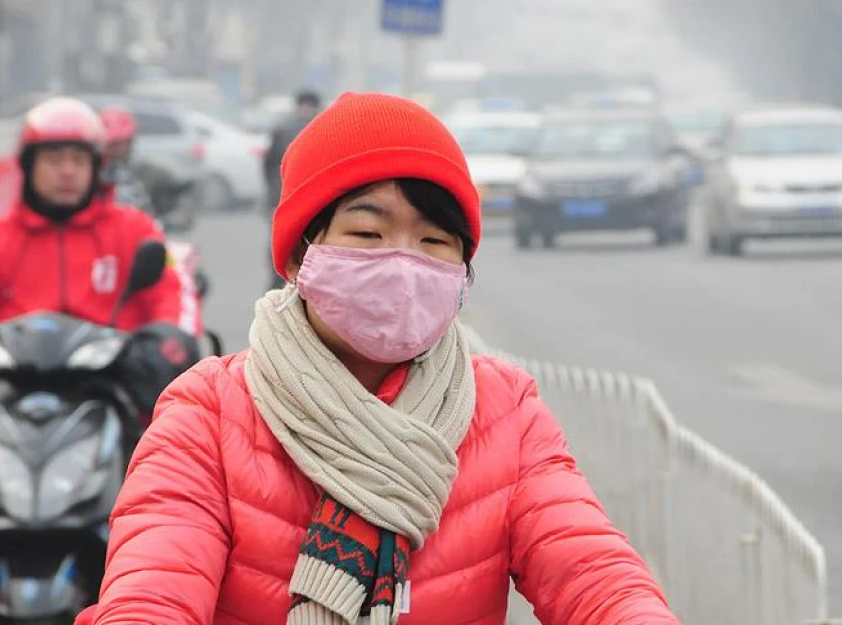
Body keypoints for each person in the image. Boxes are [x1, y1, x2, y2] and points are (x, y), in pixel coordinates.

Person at [75, 93, 680, 625]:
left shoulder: (503, 410)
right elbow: (151, 589)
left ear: (463, 272)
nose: (402, 264)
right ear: (297, 257)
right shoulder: (210, 412)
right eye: (367, 234)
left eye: (434, 242)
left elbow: (592, 572)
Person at [0, 96, 202, 420]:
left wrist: (168, 339)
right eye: (54, 159)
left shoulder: (135, 232)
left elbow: (174, 294)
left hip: (112, 401)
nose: (68, 171)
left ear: (96, 167)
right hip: (10, 407)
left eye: (79, 160)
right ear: (28, 165)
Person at [262, 88, 322, 291]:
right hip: (296, 197)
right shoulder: (318, 128)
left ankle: (283, 287)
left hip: (295, 197)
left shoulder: (317, 128)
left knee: (287, 244)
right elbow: (269, 165)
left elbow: (268, 165)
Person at [98, 105, 156, 215]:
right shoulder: (91, 174)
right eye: (111, 143)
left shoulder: (149, 172)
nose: (115, 149)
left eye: (119, 143)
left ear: (130, 142)